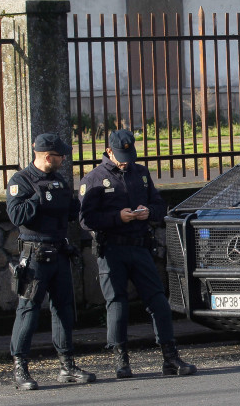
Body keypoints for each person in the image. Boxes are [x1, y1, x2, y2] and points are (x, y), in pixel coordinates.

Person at [79, 129, 196, 379]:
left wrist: (148, 212)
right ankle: (121, 359)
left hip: (140, 246)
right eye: (121, 155)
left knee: (158, 302)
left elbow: (158, 205)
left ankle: (170, 357)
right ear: (108, 151)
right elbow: (85, 219)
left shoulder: (140, 173)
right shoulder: (95, 178)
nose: (126, 160)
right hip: (112, 248)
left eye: (129, 154)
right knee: (117, 305)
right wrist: (116, 218)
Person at [6, 132, 95, 391]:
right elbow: (16, 215)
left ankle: (67, 365)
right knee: (28, 311)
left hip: (58, 251)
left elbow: (69, 212)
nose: (63, 159)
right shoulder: (21, 180)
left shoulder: (58, 180)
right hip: (34, 255)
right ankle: (20, 367)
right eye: (60, 155)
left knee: (64, 309)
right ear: (47, 156)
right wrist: (39, 197)